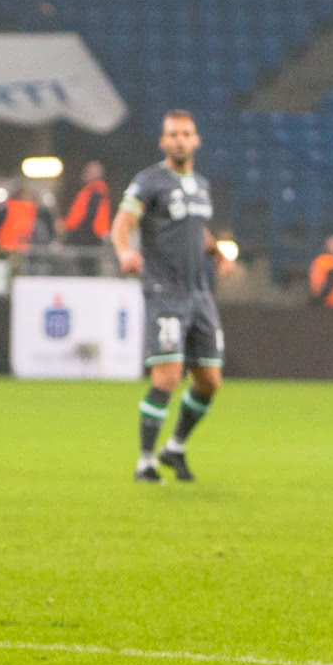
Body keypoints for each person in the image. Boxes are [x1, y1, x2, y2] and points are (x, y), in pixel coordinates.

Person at [111, 110, 232, 485]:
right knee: (168, 375)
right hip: (165, 291)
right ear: (163, 142)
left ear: (196, 141)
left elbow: (197, 231)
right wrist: (124, 252)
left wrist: (215, 252)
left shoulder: (202, 185)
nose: (180, 140)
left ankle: (175, 447)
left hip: (200, 295)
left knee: (210, 380)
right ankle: (145, 461)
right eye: (173, 134)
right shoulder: (149, 181)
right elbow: (123, 221)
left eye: (186, 134)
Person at [61, 160, 111, 245]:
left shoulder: (95, 192)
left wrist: (72, 233)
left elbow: (89, 216)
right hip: (89, 236)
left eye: (88, 171)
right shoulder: (92, 191)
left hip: (87, 238)